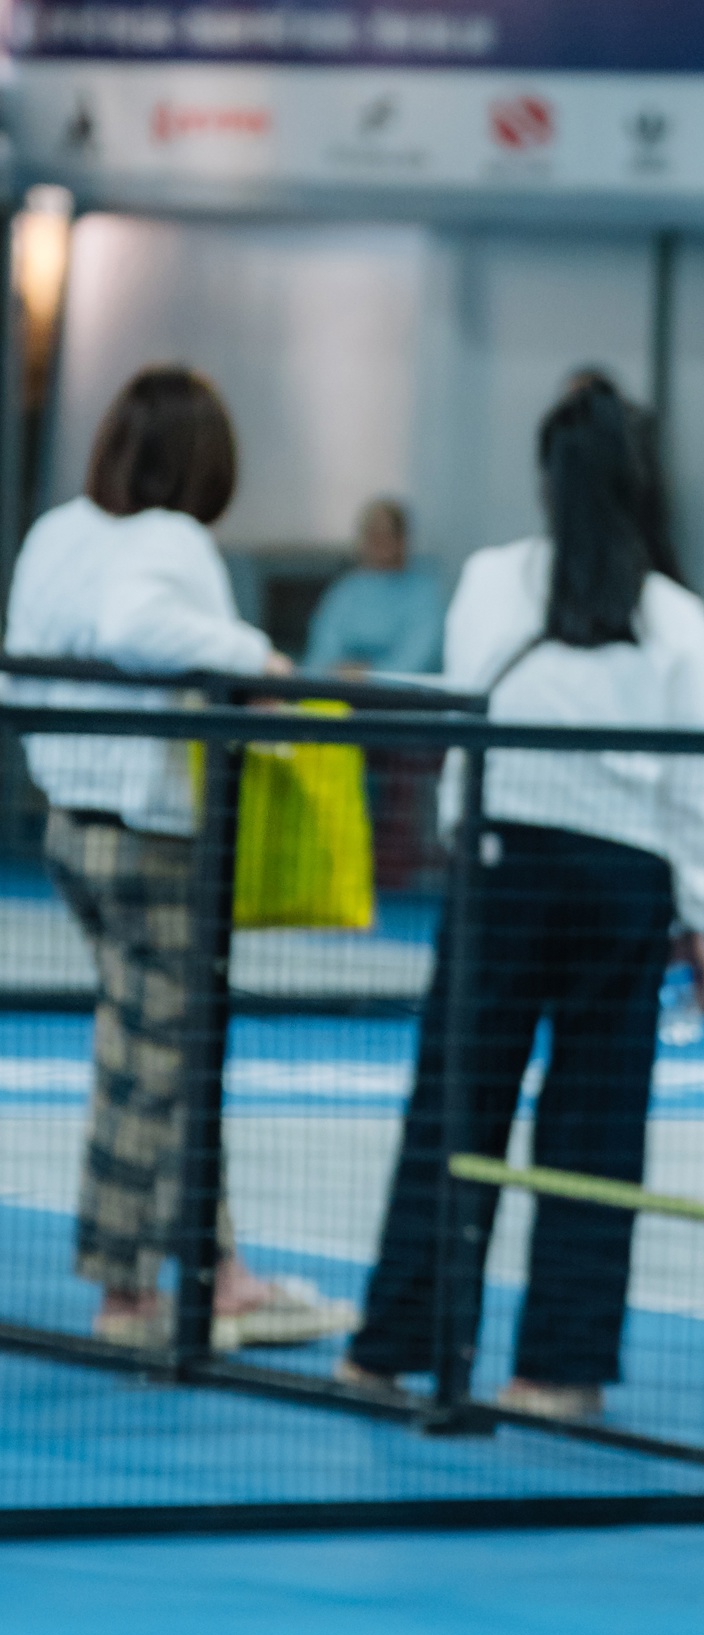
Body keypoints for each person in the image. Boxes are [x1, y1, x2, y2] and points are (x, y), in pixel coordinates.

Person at [339, 378, 704, 1421]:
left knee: (453, 1106)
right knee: (596, 1129)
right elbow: (697, 780)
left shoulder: (490, 581)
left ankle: (392, 1349)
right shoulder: (676, 617)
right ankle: (557, 1372)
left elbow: (468, 717)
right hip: (623, 886)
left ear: (548, 479)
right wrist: (699, 913)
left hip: (502, 868)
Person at [5, 364, 353, 1351]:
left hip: (70, 822)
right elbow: (135, 629)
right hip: (148, 833)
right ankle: (128, 1295)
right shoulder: (171, 542)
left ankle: (217, 1273)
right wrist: (258, 658)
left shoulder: (57, 532)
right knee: (152, 1062)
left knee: (164, 1050)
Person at [301, 498, 444, 678]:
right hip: (341, 689)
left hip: (396, 693)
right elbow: (320, 655)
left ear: (402, 540)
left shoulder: (424, 594)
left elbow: (417, 660)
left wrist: (368, 676)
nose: (379, 542)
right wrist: (338, 675)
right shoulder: (346, 591)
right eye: (373, 534)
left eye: (387, 534)